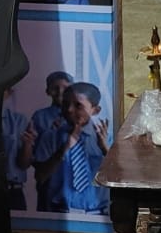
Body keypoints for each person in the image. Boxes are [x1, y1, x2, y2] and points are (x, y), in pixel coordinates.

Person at [32, 82, 109, 214]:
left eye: (78, 105)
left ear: (95, 110)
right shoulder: (50, 137)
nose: (69, 110)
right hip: (59, 213)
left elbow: (121, 178)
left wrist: (105, 150)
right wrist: (63, 150)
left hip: (97, 213)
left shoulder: (106, 139)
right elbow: (40, 177)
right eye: (65, 104)